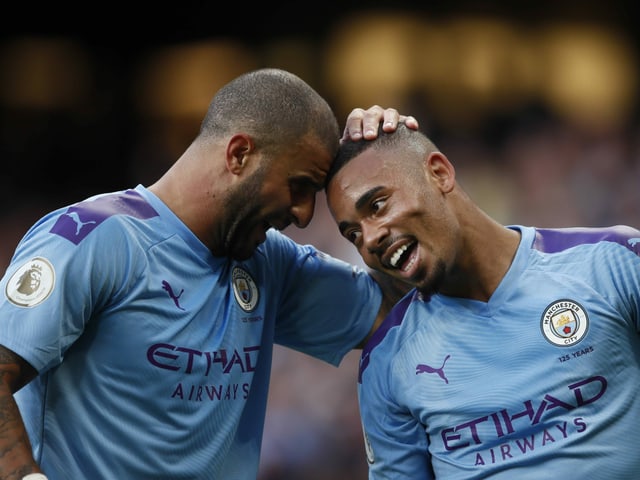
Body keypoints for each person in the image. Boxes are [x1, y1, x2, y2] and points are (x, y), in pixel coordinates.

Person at [0, 67, 418, 480]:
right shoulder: (92, 239)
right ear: (239, 154)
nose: (305, 214)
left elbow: (404, 315)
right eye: (299, 186)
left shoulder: (269, 263)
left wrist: (390, 167)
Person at [325, 121, 640, 479]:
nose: (369, 239)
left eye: (378, 205)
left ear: (439, 173)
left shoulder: (612, 263)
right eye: (353, 234)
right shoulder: (386, 361)